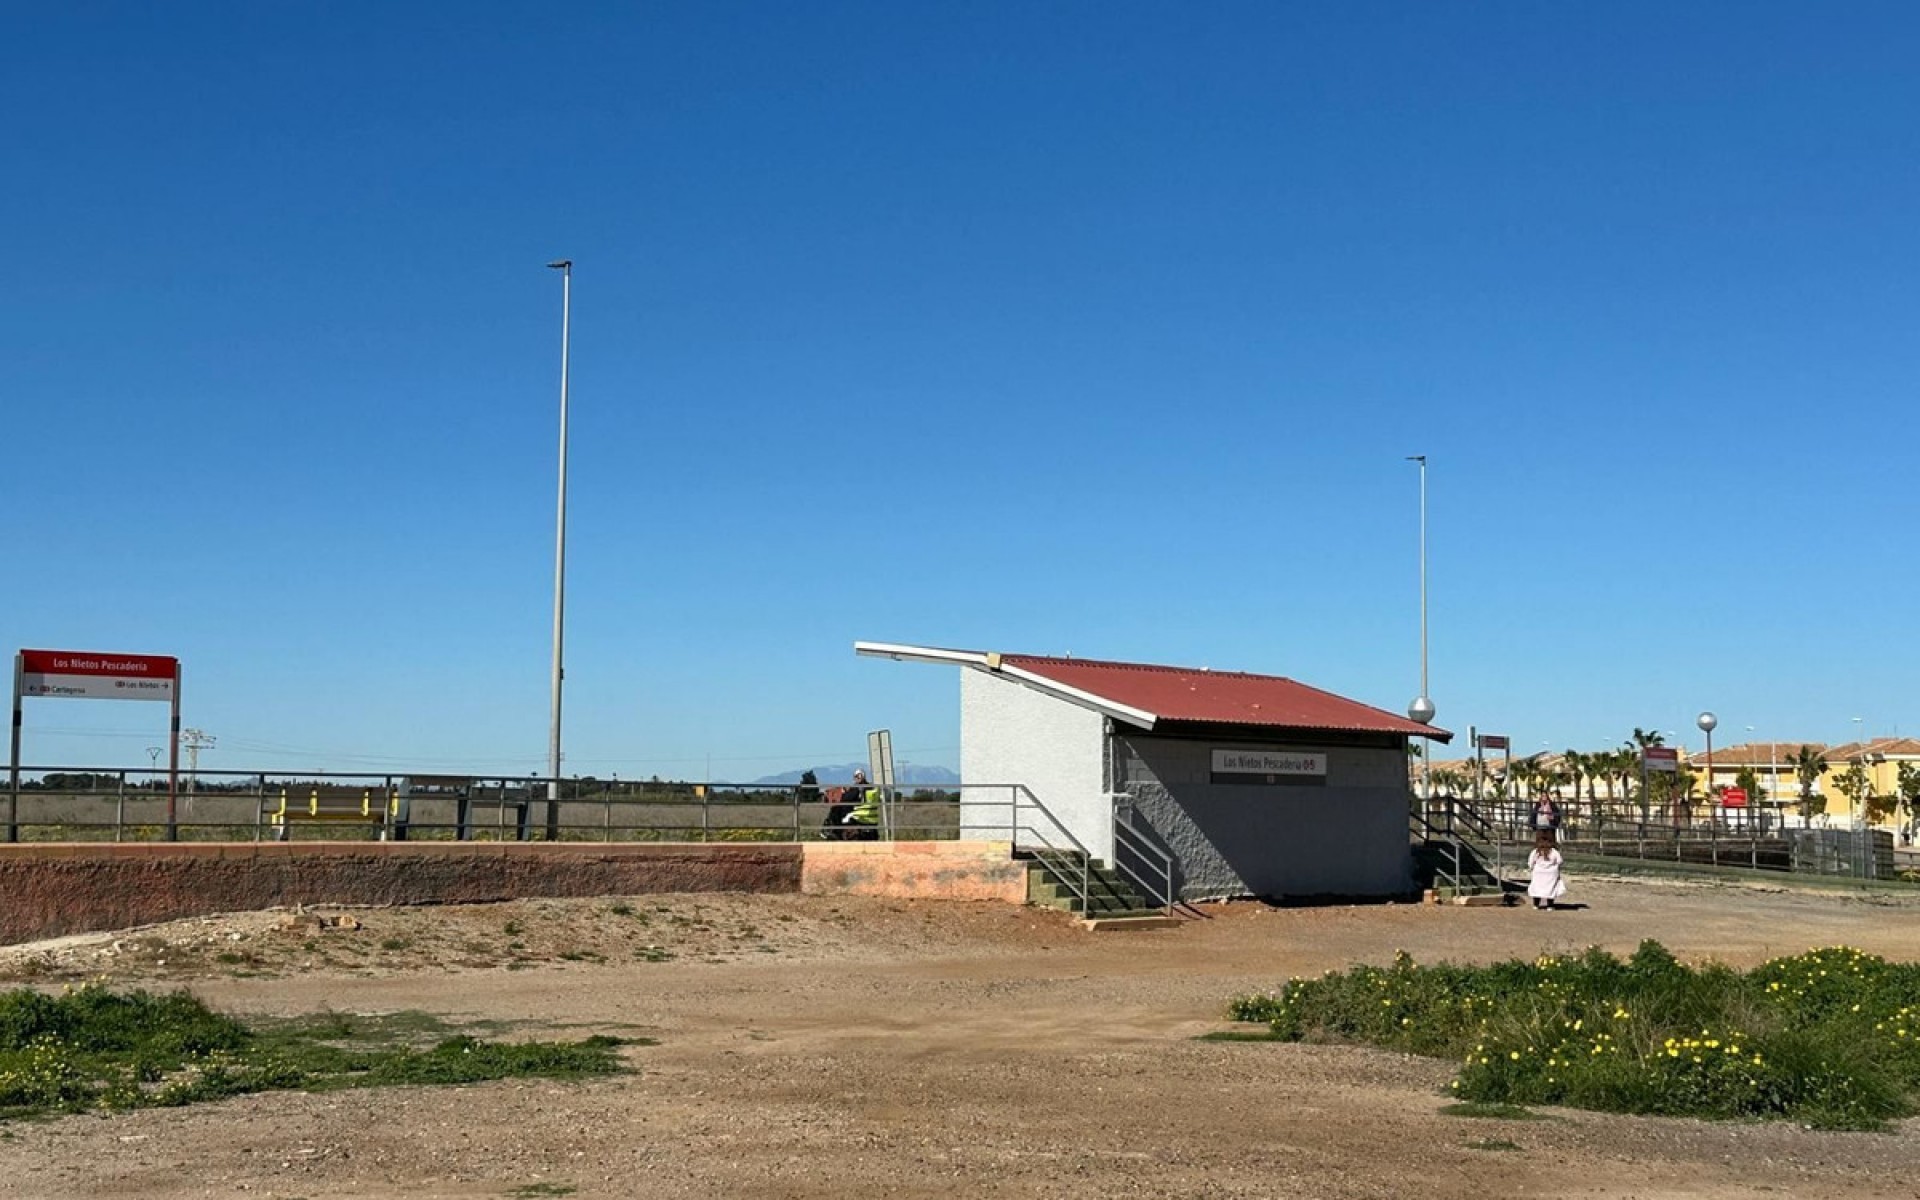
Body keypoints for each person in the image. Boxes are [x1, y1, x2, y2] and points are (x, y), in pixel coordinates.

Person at [1527, 830, 1566, 911]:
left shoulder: (1536, 852)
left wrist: (1531, 868)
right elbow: (1560, 861)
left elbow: (1531, 862)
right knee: (1550, 889)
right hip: (1551, 873)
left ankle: (1536, 905)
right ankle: (1550, 905)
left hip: (1538, 873)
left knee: (1537, 888)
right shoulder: (1554, 852)